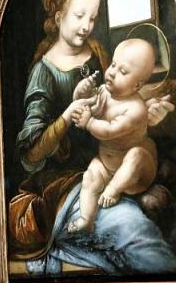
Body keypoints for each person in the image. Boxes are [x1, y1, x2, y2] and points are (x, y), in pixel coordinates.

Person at [9, 0, 176, 276]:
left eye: (93, 17)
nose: (87, 26)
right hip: (67, 182)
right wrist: (67, 115)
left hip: (112, 159)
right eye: (79, 16)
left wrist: (146, 113)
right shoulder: (43, 73)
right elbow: (30, 155)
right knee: (134, 231)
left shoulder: (97, 52)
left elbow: (118, 98)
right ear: (58, 16)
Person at [67, 38, 160, 234]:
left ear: (137, 85)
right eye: (113, 65)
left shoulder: (136, 109)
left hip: (136, 176)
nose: (112, 72)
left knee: (136, 154)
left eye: (123, 71)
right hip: (106, 163)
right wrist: (80, 94)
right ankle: (86, 220)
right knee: (89, 177)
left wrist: (89, 122)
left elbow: (110, 131)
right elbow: (87, 106)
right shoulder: (103, 91)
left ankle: (114, 189)